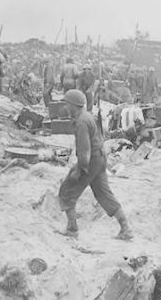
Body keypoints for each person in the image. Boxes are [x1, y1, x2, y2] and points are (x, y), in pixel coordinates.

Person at [58, 89, 133, 240]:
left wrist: (79, 170)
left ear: (73, 105)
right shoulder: (88, 116)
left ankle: (72, 230)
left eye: (67, 104)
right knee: (104, 193)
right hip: (99, 158)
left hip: (90, 161)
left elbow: (84, 151)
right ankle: (126, 228)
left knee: (67, 191)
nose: (65, 107)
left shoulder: (81, 122)